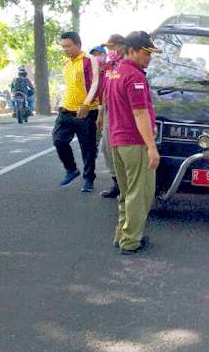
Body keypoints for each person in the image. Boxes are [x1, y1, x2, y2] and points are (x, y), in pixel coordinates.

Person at [105, 31, 159, 255]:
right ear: (132, 51)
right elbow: (140, 114)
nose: (149, 57)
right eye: (146, 53)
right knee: (140, 193)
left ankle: (122, 234)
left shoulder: (115, 72)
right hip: (134, 142)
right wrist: (152, 148)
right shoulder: (135, 77)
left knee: (126, 193)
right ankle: (131, 241)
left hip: (116, 140)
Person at [54, 31, 100, 193]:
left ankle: (88, 178)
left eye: (68, 46)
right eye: (63, 46)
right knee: (58, 140)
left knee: (87, 147)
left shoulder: (89, 61)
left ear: (78, 45)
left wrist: (86, 104)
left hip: (86, 112)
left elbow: (95, 83)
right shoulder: (66, 64)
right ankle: (71, 169)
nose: (65, 49)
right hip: (66, 110)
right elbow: (70, 87)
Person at [98, 34, 127, 199]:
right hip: (109, 110)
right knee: (106, 147)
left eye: (113, 47)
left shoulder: (128, 65)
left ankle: (126, 186)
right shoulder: (109, 66)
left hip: (122, 111)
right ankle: (116, 182)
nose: (110, 50)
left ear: (122, 47)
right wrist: (101, 113)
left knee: (122, 149)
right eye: (108, 48)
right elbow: (106, 90)